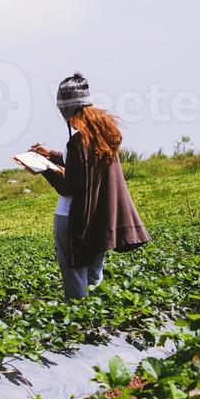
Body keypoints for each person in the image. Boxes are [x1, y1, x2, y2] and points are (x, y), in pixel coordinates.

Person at [27, 73, 150, 299]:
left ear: (67, 110)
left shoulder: (77, 142)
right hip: (98, 219)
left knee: (75, 282)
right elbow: (85, 163)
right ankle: (98, 323)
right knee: (94, 279)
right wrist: (51, 155)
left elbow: (69, 187)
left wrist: (43, 169)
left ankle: (81, 328)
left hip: (74, 219)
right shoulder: (105, 135)